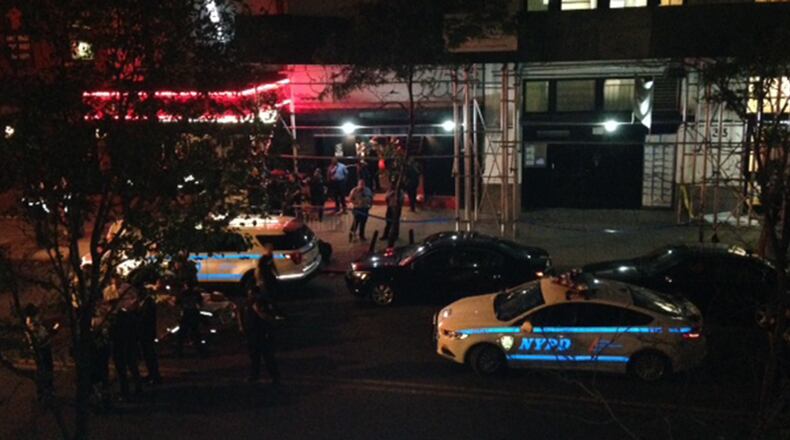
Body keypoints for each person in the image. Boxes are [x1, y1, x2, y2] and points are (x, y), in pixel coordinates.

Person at [239, 290, 281, 384]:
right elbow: (240, 313)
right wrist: (241, 326)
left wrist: (259, 311)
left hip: (263, 333)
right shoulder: (247, 303)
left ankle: (275, 376)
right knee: (254, 356)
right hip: (251, 333)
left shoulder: (263, 302)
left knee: (268, 356)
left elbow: (269, 317)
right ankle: (254, 375)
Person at [24, 303, 55, 402]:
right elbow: (39, 339)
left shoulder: (35, 323)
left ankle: (47, 391)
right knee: (44, 370)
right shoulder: (33, 324)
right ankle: (45, 392)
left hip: (43, 348)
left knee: (46, 369)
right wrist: (51, 333)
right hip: (41, 350)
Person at [135, 279, 161, 385]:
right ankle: (152, 374)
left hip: (147, 332)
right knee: (147, 355)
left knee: (150, 354)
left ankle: (155, 376)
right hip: (145, 332)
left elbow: (145, 318)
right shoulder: (144, 302)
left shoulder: (148, 303)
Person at [254, 246, 286, 320]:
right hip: (265, 280)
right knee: (269, 296)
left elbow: (272, 265)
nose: (271, 251)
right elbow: (258, 270)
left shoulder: (270, 256)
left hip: (270, 278)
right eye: (269, 250)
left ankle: (270, 310)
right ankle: (275, 313)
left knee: (272, 295)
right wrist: (259, 281)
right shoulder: (262, 259)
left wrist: (277, 273)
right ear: (266, 250)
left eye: (271, 250)